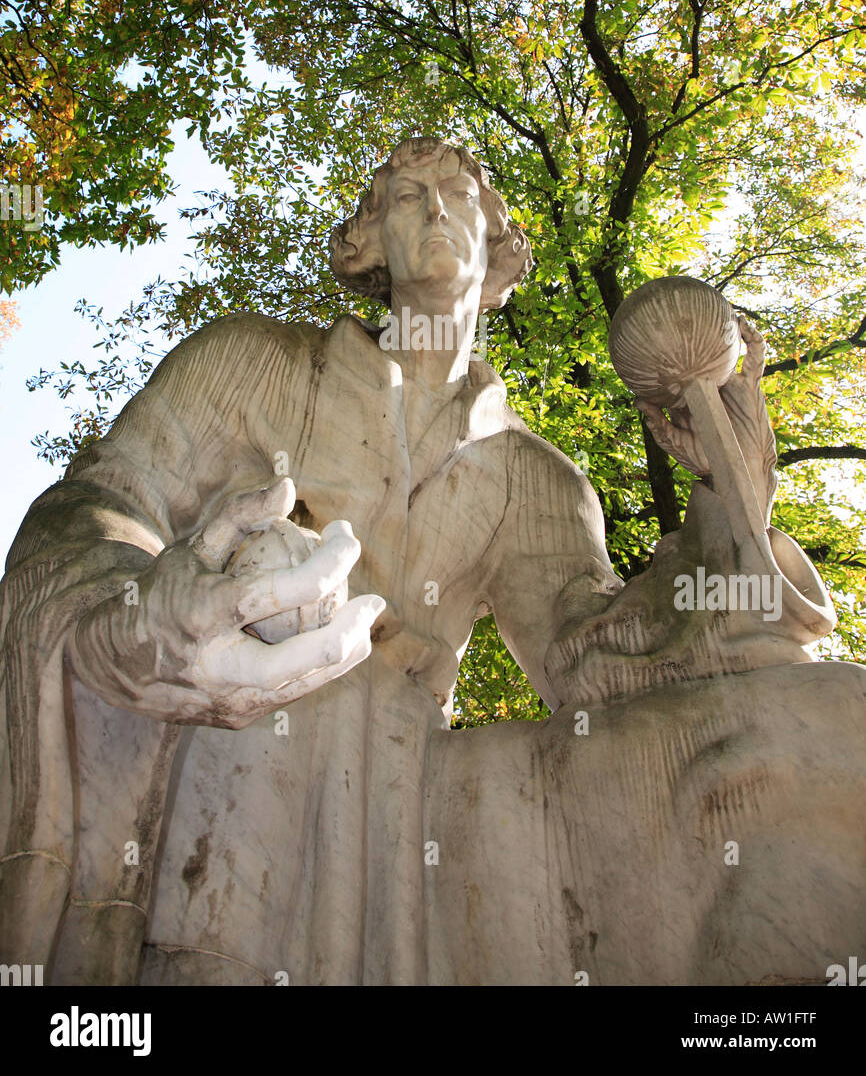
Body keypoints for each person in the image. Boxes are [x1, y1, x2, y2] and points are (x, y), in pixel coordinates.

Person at [0, 135, 624, 984]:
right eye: (406, 196)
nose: (436, 207)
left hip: (411, 800)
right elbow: (100, 502)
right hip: (214, 775)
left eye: (458, 193)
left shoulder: (542, 481)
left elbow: (594, 662)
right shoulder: (246, 361)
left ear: (501, 244)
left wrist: (729, 547)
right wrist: (132, 607)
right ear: (364, 243)